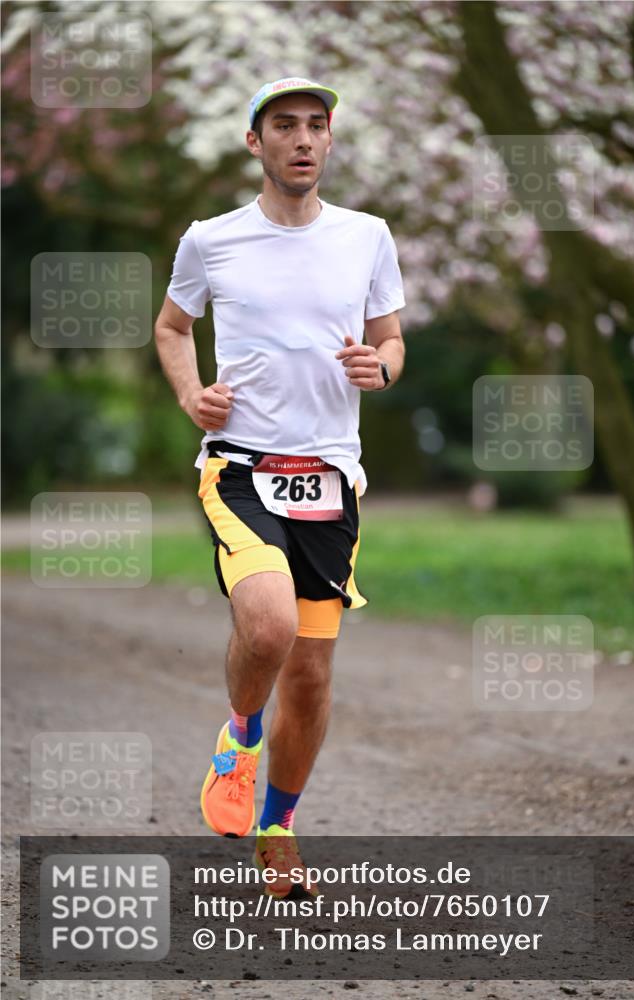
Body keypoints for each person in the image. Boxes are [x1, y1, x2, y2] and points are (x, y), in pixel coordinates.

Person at [154, 77, 405, 899]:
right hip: (241, 469)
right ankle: (238, 741)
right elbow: (172, 327)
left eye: (315, 126)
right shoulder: (211, 240)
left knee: (311, 674)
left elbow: (389, 338)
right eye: (283, 125)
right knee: (267, 631)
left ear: (330, 143)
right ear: (254, 142)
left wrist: (383, 367)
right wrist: (193, 395)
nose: (301, 138)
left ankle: (277, 827)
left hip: (330, 478)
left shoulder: (368, 236)